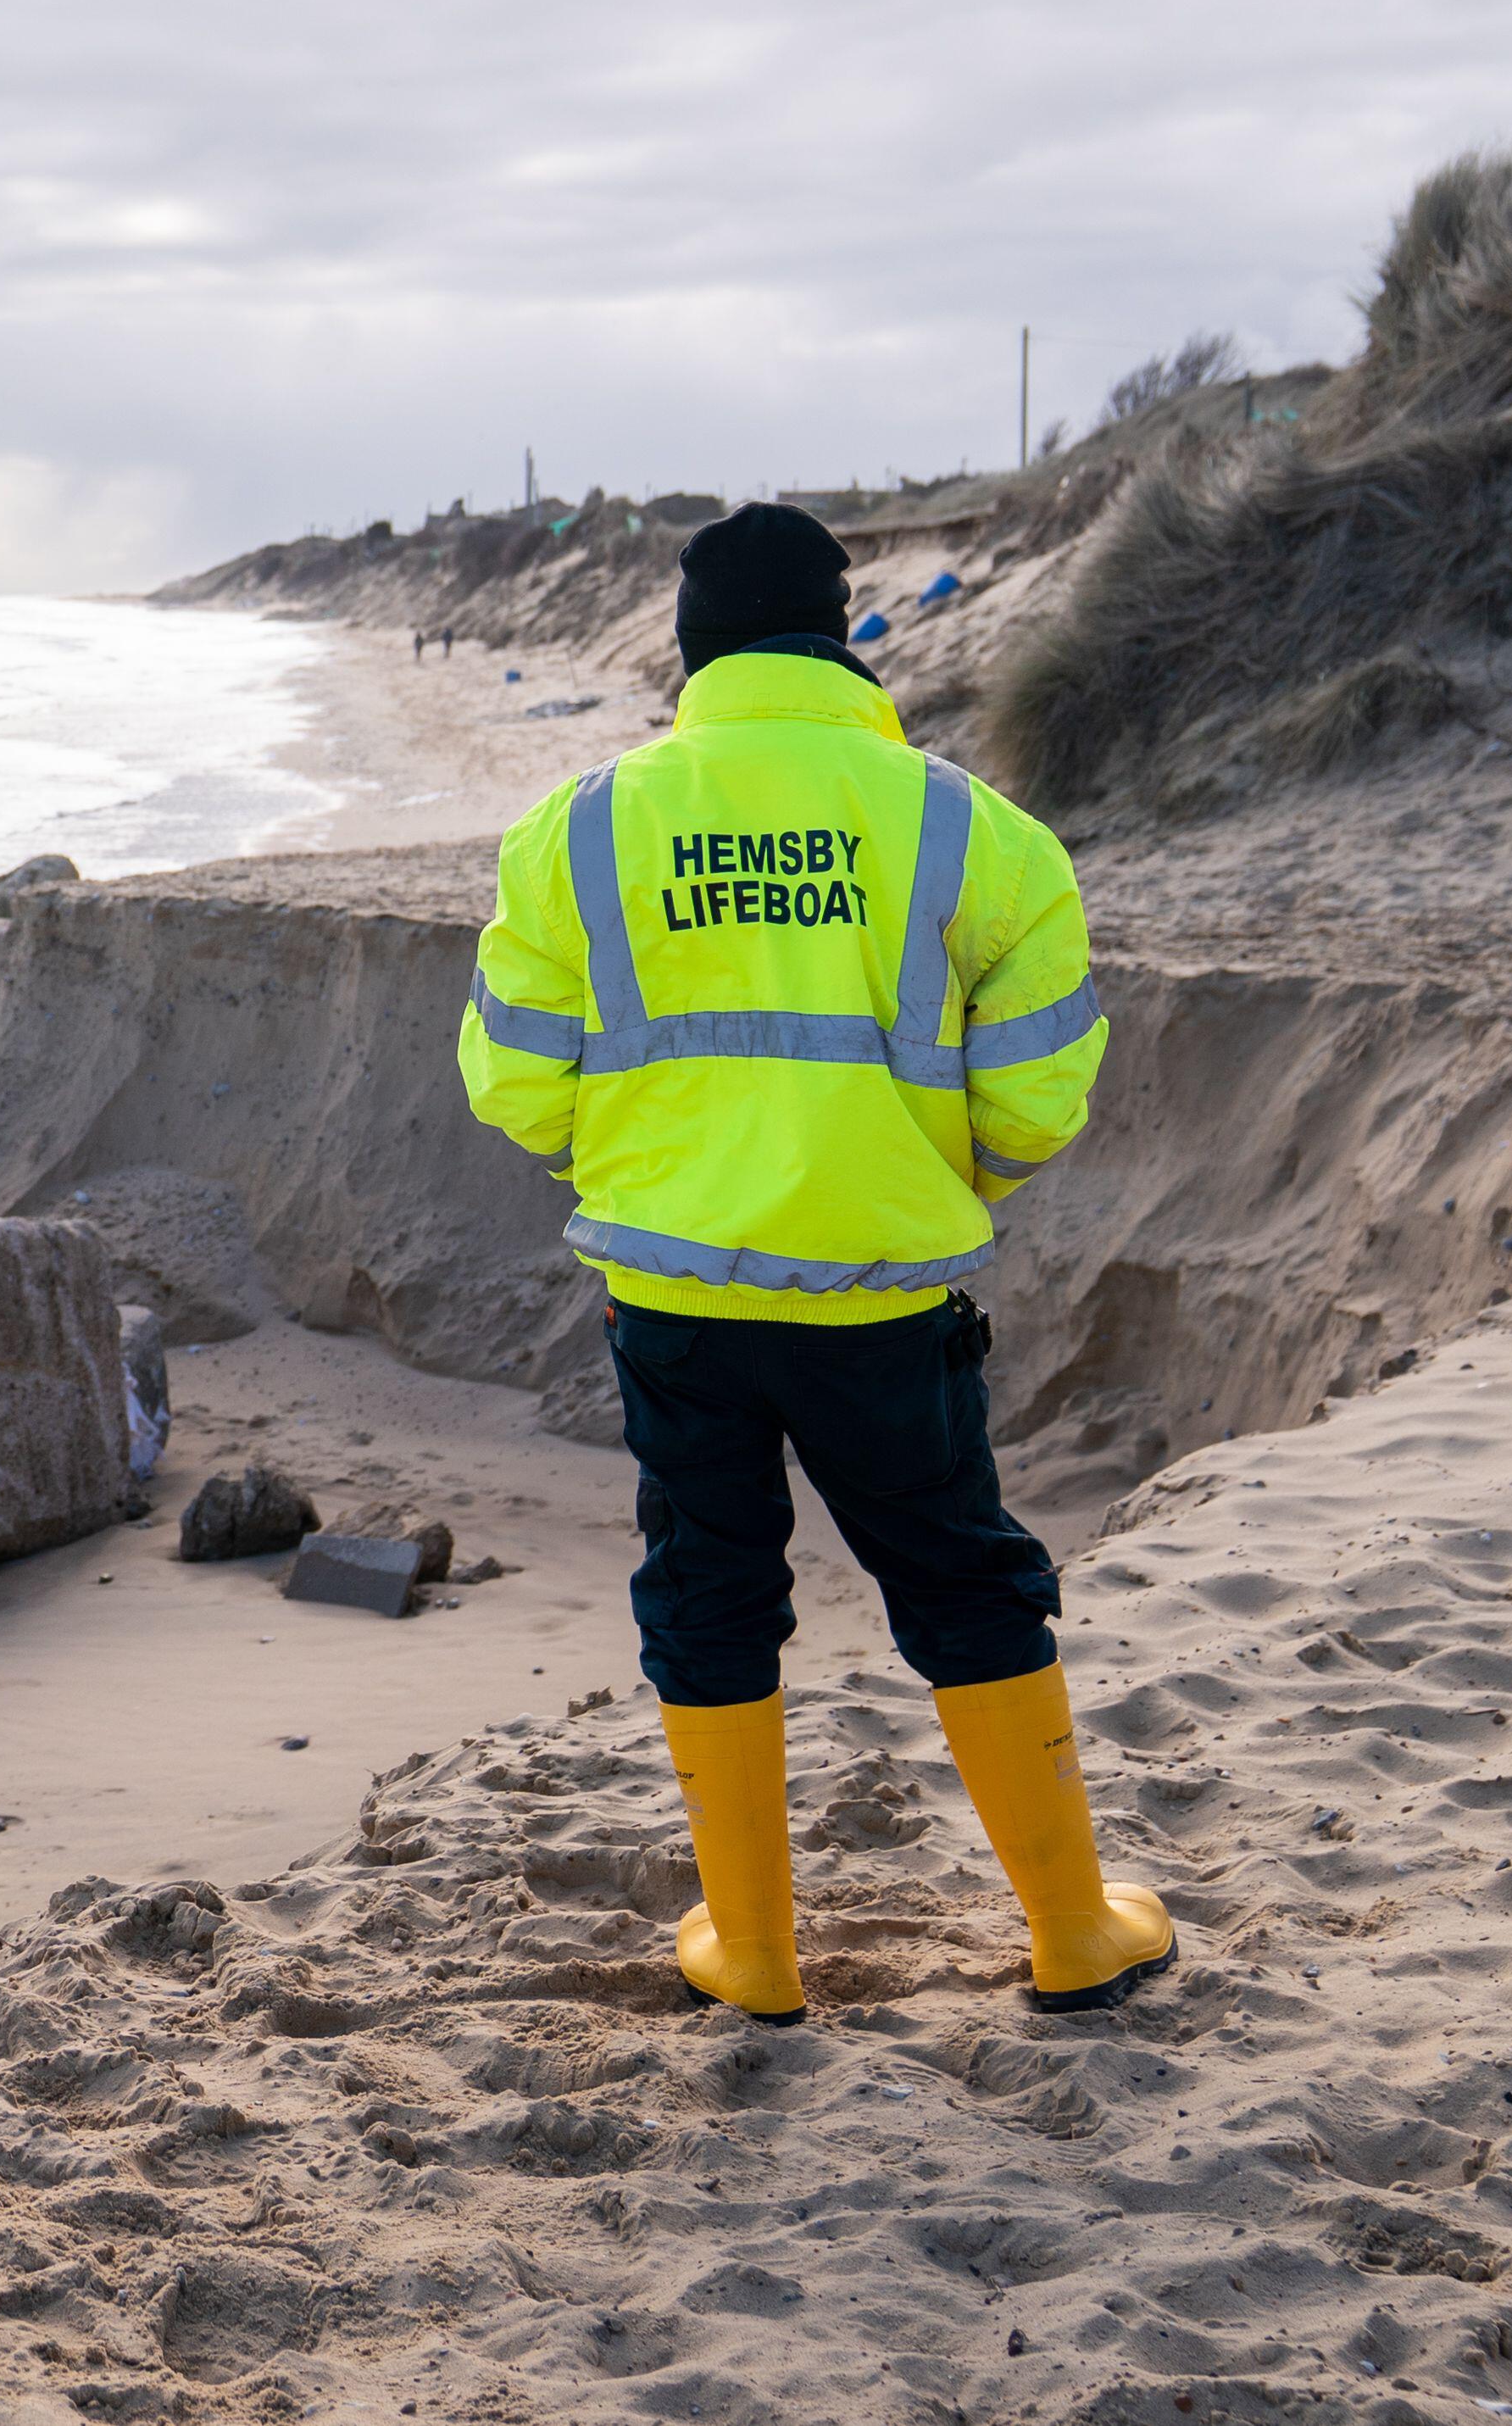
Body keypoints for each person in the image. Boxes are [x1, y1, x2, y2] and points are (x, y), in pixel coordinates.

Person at [453, 502, 1170, 2023]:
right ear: (843, 639)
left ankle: (757, 1955)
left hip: (675, 1300)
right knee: (963, 1578)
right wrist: (929, 1175)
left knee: (709, 1590)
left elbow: (515, 1080)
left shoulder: (582, 827)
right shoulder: (970, 828)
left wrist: (652, 1164)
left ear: (690, 647)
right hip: (882, 1292)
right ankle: (1071, 1932)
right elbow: (1044, 1084)